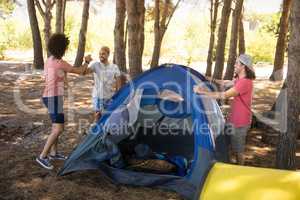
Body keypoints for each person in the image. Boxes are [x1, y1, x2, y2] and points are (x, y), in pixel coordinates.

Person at [36, 33, 91, 170]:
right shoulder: (61, 63)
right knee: (59, 128)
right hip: (52, 98)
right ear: (62, 48)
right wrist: (87, 61)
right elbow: (81, 71)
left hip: (50, 97)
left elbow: (56, 74)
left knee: (57, 126)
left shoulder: (50, 60)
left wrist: (64, 82)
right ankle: (42, 156)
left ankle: (54, 153)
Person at [193, 54, 256, 165]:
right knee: (231, 146)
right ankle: (233, 167)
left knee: (238, 150)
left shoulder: (245, 82)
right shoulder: (239, 79)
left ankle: (240, 170)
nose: (234, 65)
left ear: (244, 66)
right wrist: (209, 79)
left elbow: (225, 95)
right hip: (233, 120)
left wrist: (202, 92)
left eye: (237, 63)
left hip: (240, 122)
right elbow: (226, 82)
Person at [83, 46, 122, 122]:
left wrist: (117, 96)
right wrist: (86, 62)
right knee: (97, 117)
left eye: (103, 54)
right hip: (97, 96)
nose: (101, 55)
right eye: (100, 54)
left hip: (109, 97)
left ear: (108, 55)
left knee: (108, 118)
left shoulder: (114, 67)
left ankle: (105, 133)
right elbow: (84, 72)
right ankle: (96, 132)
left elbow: (119, 84)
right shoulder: (95, 65)